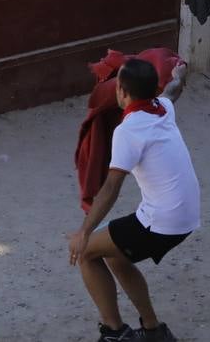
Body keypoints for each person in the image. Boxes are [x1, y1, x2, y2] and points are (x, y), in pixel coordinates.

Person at [68, 59, 197, 342]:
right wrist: (179, 74)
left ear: (122, 92)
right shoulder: (162, 108)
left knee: (87, 251)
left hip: (162, 221)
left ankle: (115, 333)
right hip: (187, 216)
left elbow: (112, 186)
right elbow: (174, 89)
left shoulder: (128, 130)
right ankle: (153, 330)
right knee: (116, 256)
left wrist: (84, 232)